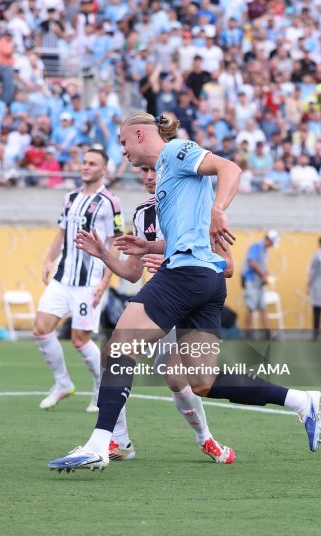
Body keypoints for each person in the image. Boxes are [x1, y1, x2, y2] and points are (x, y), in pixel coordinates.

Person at [48, 112, 321, 473]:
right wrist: (148, 246)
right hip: (205, 282)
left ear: (139, 133)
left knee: (118, 348)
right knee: (203, 381)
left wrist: (219, 209)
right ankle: (302, 401)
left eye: (123, 141)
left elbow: (231, 168)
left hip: (186, 273)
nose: (123, 150)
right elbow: (183, 234)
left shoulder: (177, 151)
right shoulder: (165, 178)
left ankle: (103, 443)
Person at [75, 167, 236, 463]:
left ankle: (207, 439)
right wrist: (104, 254)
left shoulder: (196, 209)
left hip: (191, 302)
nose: (149, 176)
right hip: (159, 305)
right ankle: (119, 441)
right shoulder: (142, 215)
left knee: (179, 377)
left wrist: (179, 261)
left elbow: (227, 268)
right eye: (145, 171)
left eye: (155, 170)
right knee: (113, 354)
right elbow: (133, 272)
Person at [33, 148, 123, 414]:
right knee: (40, 328)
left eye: (92, 163)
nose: (85, 167)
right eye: (84, 162)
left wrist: (105, 282)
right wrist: (49, 260)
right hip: (63, 277)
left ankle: (101, 389)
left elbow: (114, 243)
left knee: (80, 339)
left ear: (104, 170)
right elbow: (61, 233)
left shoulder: (110, 202)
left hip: (88, 281)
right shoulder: (69, 198)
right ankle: (62, 383)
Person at [241, 230, 280, 339]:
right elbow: (252, 262)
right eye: (272, 243)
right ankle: (247, 334)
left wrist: (265, 273)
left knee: (263, 307)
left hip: (259, 282)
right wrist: (263, 274)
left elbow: (260, 265)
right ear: (269, 240)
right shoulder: (256, 247)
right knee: (250, 307)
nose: (272, 246)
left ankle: (267, 333)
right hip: (251, 281)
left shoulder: (264, 250)